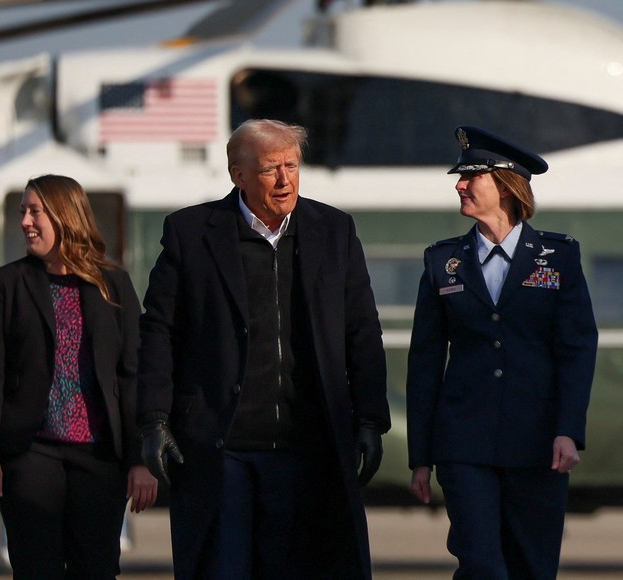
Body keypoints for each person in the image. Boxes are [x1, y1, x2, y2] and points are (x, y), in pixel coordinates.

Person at [137, 119, 391, 579]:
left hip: (306, 451)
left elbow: (362, 332)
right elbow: (158, 331)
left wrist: (372, 419)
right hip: (221, 450)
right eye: (271, 168)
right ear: (238, 175)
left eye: (291, 166)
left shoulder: (333, 230)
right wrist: (154, 419)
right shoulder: (190, 233)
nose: (284, 180)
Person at [406, 126, 598, 579]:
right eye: (461, 177)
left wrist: (569, 430)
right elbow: (425, 362)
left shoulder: (558, 257)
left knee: (532, 566)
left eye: (472, 176)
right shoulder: (442, 262)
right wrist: (420, 457)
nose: (460, 184)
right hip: (464, 445)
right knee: (482, 566)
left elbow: (576, 349)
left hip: (539, 444)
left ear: (507, 184)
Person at [0, 174, 158, 579]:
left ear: (65, 216)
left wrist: (139, 459)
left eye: (34, 211)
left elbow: (131, 376)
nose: (24, 221)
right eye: (22, 212)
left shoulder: (114, 284)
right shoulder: (6, 285)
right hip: (31, 455)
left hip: (99, 460)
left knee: (98, 569)